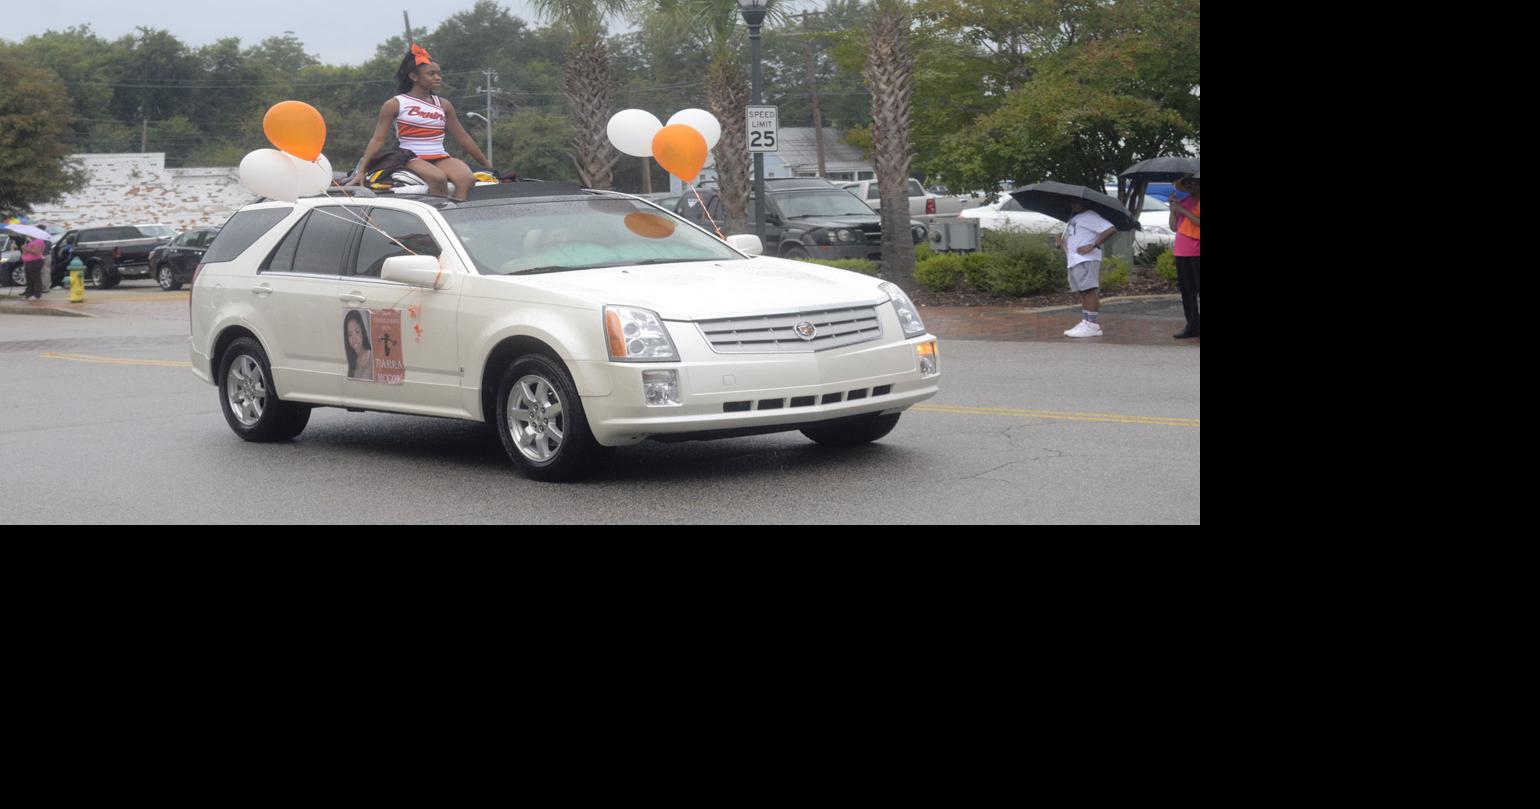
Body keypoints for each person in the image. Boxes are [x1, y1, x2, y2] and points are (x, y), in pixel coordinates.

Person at [348, 45, 493, 202]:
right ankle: (435, 214)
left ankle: (458, 214)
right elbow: (377, 140)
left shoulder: (443, 104)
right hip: (411, 157)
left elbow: (464, 138)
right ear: (414, 77)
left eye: (439, 73)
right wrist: (361, 171)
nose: (438, 77)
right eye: (431, 74)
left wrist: (487, 165)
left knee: (466, 179)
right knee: (438, 178)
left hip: (440, 156)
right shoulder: (395, 104)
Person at [1055, 199, 1119, 338]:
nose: (1072, 204)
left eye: (1076, 202)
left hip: (1086, 259)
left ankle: (1092, 325)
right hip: (1074, 260)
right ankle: (1086, 322)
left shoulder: (1090, 216)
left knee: (1089, 290)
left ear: (1086, 203)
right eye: (1072, 202)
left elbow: (1111, 229)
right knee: (1083, 291)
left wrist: (1093, 245)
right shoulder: (1074, 218)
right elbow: (1075, 239)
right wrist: (1062, 241)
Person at [1170, 175, 1201, 339]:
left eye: (1193, 183)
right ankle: (1193, 325)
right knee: (1187, 292)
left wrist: (1183, 211)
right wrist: (1173, 210)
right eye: (1186, 183)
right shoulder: (1183, 202)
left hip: (1197, 251)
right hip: (1182, 251)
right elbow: (1173, 227)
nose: (1189, 186)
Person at [344, 310, 374, 381]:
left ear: (362, 331)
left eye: (357, 332)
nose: (354, 339)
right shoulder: (350, 360)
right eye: (350, 335)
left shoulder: (373, 358)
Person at [21, 236, 46, 300]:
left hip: (35, 261)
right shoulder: (30, 242)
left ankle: (36, 294)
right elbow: (25, 252)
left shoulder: (39, 241)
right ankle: (29, 294)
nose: (29, 236)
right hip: (28, 262)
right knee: (29, 279)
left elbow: (36, 252)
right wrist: (24, 249)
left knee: (35, 278)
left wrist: (26, 249)